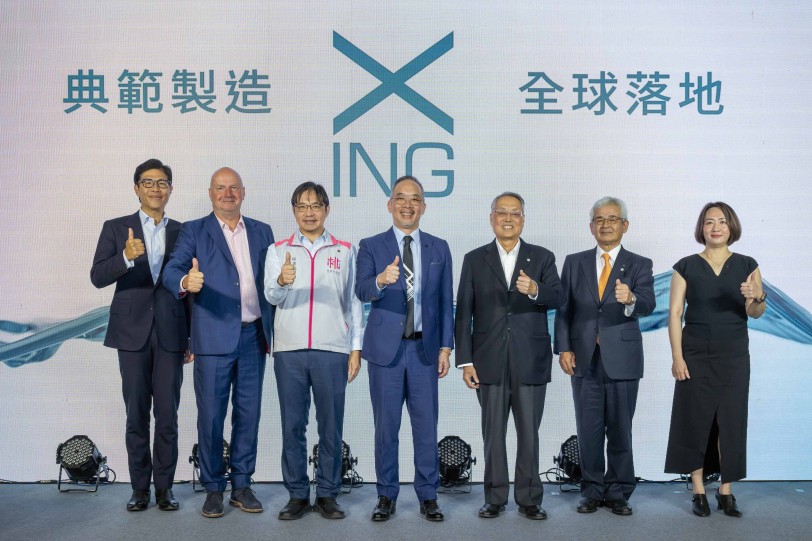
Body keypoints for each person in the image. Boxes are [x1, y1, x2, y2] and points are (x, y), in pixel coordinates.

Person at [163, 167, 274, 518]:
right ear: (211, 194)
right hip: (212, 337)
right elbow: (171, 271)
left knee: (249, 413)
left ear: (243, 192)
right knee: (211, 416)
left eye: (234, 188)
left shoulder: (262, 230)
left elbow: (271, 281)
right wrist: (186, 280)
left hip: (254, 335)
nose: (228, 193)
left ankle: (242, 485)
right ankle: (213, 487)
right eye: (221, 188)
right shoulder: (194, 230)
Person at [455, 192, 563, 520]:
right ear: (491, 218)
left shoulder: (542, 257)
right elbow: (464, 313)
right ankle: (495, 497)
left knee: (529, 434)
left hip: (531, 359)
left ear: (523, 219)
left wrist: (536, 290)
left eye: (515, 213)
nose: (508, 218)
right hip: (487, 360)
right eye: (501, 212)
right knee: (493, 434)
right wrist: (465, 361)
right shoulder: (475, 259)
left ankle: (530, 499)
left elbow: (558, 297)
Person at [90, 159, 190, 512]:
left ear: (170, 189)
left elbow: (190, 288)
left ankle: (164, 489)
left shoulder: (184, 231)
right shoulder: (116, 228)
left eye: (162, 183)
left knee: (168, 415)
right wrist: (125, 257)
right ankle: (139, 490)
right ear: (136, 188)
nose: (155, 189)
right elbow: (97, 276)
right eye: (148, 182)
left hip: (171, 332)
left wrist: (190, 338)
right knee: (136, 415)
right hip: (131, 333)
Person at [355, 175, 453, 522]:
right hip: (387, 353)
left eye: (415, 199)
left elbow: (445, 302)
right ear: (390, 204)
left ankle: (428, 495)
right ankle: (386, 494)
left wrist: (446, 348)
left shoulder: (439, 247)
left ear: (423, 206)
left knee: (426, 427)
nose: (407, 205)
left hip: (425, 351)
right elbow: (362, 290)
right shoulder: (371, 245)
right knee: (386, 428)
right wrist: (381, 280)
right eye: (401, 198)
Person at [263, 182, 364, 520]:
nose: (309, 212)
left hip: (332, 350)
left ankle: (327, 494)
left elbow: (354, 303)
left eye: (315, 205)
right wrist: (282, 280)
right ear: (294, 211)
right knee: (292, 425)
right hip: (289, 350)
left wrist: (355, 349)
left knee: (330, 426)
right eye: (302, 206)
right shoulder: (278, 250)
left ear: (326, 210)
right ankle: (296, 494)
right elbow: (271, 297)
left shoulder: (345, 251)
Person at [554, 196, 655, 516]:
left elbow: (649, 304)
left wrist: (631, 299)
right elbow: (564, 309)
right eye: (599, 220)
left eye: (612, 219)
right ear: (591, 227)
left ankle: (619, 491)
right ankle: (591, 490)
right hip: (584, 358)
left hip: (623, 358)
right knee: (589, 429)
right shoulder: (574, 262)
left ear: (625, 225)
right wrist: (564, 348)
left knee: (621, 429)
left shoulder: (640, 263)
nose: (605, 225)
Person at [664, 202, 765, 518]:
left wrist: (756, 296)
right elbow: (675, 314)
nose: (716, 227)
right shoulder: (685, 266)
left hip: (734, 355)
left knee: (730, 422)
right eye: (709, 222)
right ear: (701, 228)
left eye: (722, 221)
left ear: (731, 226)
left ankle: (726, 491)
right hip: (695, 354)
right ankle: (697, 490)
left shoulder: (748, 264)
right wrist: (677, 357)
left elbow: (755, 312)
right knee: (694, 420)